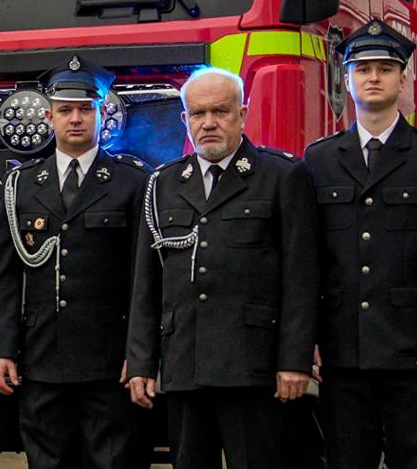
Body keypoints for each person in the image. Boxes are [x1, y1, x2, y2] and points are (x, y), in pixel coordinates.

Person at [124, 68, 317, 469]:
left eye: (220, 111)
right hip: (185, 362)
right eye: (198, 113)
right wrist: (141, 362)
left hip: (252, 365)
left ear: (242, 114)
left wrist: (294, 360)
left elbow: (301, 278)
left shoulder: (282, 176)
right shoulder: (162, 184)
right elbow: (147, 283)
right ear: (185, 120)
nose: (209, 123)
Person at [305, 20, 417, 469]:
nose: (373, 78)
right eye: (362, 69)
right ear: (347, 81)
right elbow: (308, 260)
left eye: (384, 69)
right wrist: (307, 340)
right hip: (342, 350)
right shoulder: (319, 158)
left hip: (413, 351)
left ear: (403, 79)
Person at [0, 57, 151, 469]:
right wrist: (0, 349)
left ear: (101, 113)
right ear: (49, 117)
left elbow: (143, 279)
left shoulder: (133, 181)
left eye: (85, 109)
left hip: (109, 361)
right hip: (42, 357)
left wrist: (141, 354)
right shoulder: (21, 184)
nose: (75, 119)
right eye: (65, 110)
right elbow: (5, 276)